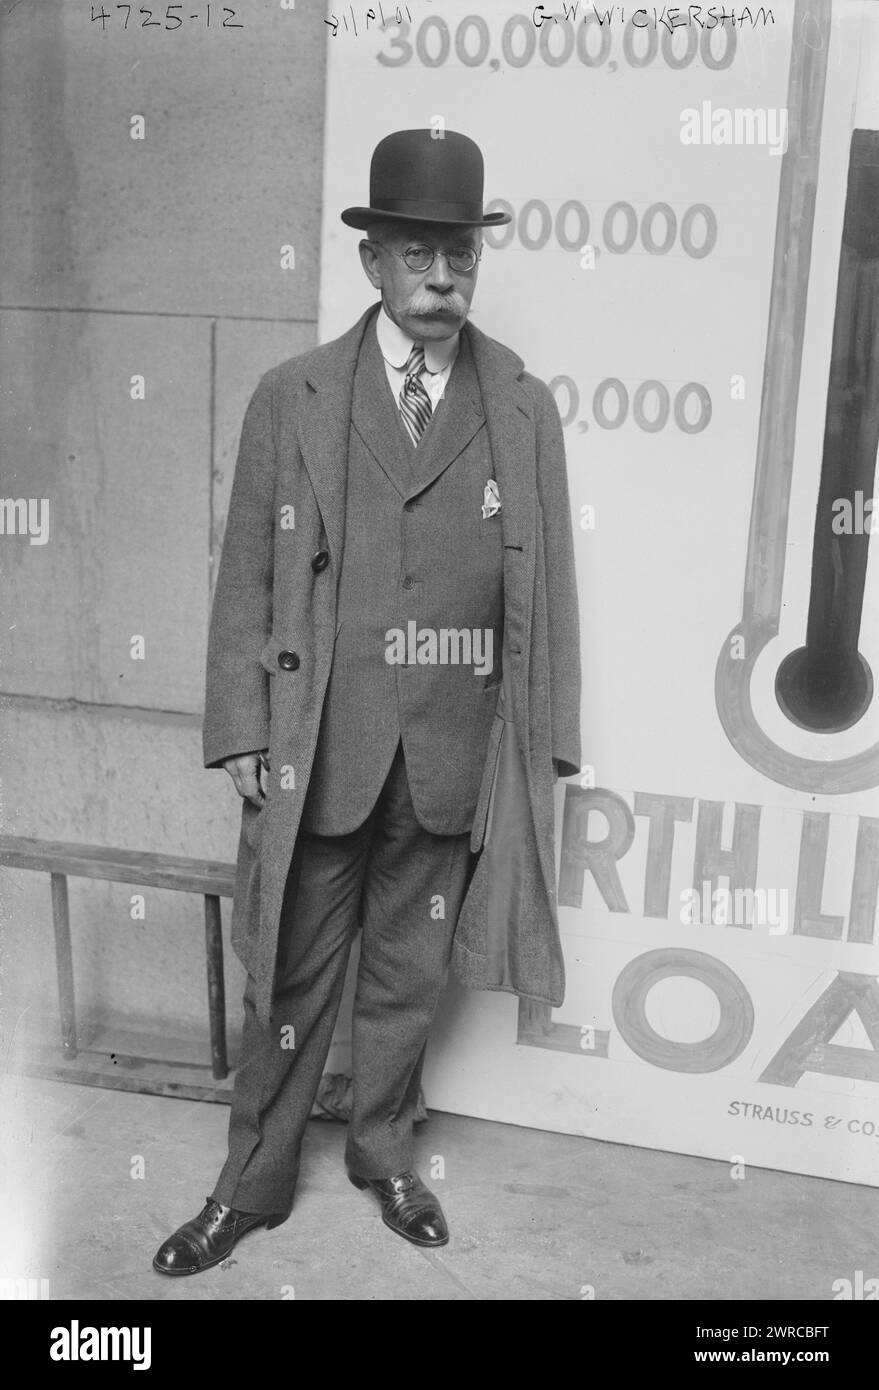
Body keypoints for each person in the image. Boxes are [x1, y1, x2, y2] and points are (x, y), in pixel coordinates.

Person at [153, 128, 581, 1276]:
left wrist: (547, 746)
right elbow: (248, 561)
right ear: (372, 262)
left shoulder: (522, 409)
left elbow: (553, 591)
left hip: (452, 748)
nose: (442, 278)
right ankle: (250, 1184)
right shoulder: (289, 396)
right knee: (288, 973)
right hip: (320, 743)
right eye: (417, 255)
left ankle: (386, 1153)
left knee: (407, 975)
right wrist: (240, 725)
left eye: (461, 256)